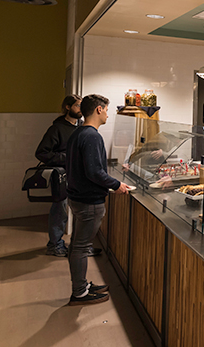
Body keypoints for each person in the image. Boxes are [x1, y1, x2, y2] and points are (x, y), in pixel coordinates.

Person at [66, 94, 131, 306]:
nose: (108, 114)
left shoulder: (78, 133)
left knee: (78, 244)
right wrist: (116, 185)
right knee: (81, 247)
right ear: (99, 110)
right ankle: (79, 293)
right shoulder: (92, 136)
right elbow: (94, 172)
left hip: (77, 198)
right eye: (106, 110)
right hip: (89, 202)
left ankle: (82, 285)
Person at [35, 95, 82, 257]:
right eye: (77, 106)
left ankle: (78, 245)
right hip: (61, 176)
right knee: (60, 211)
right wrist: (66, 157)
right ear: (68, 107)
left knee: (79, 211)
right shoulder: (56, 129)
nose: (80, 110)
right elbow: (41, 153)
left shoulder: (81, 127)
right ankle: (54, 244)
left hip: (78, 176)